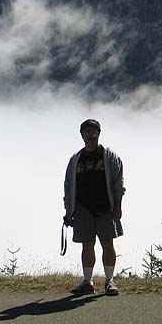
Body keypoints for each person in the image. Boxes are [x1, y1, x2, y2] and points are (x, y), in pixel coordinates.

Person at [63, 119, 125, 296]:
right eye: (87, 132)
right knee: (87, 245)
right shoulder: (76, 160)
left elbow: (118, 183)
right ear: (82, 135)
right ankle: (88, 282)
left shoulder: (110, 157)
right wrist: (69, 211)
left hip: (105, 207)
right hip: (83, 209)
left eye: (94, 132)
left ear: (99, 134)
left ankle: (109, 281)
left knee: (108, 244)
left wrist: (118, 206)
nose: (90, 135)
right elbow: (68, 186)